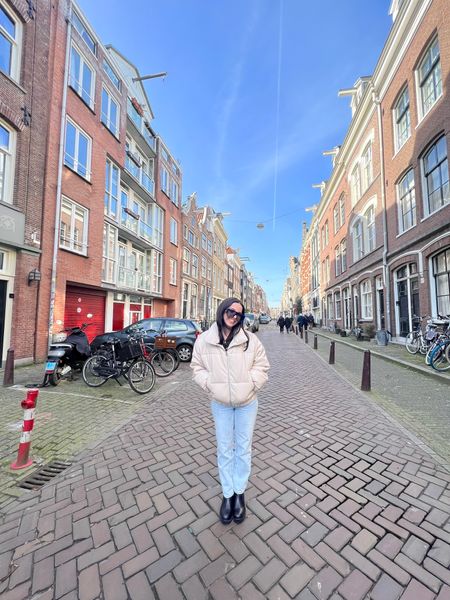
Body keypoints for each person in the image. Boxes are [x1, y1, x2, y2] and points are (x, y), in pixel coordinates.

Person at [191, 297, 270, 525]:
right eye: (230, 311)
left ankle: (240, 493)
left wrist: (251, 384)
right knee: (225, 449)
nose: (234, 316)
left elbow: (262, 366)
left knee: (243, 449)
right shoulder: (205, 340)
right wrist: (210, 384)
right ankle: (228, 496)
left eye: (238, 314)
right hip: (221, 404)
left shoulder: (250, 340)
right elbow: (196, 368)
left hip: (247, 403)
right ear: (222, 310)